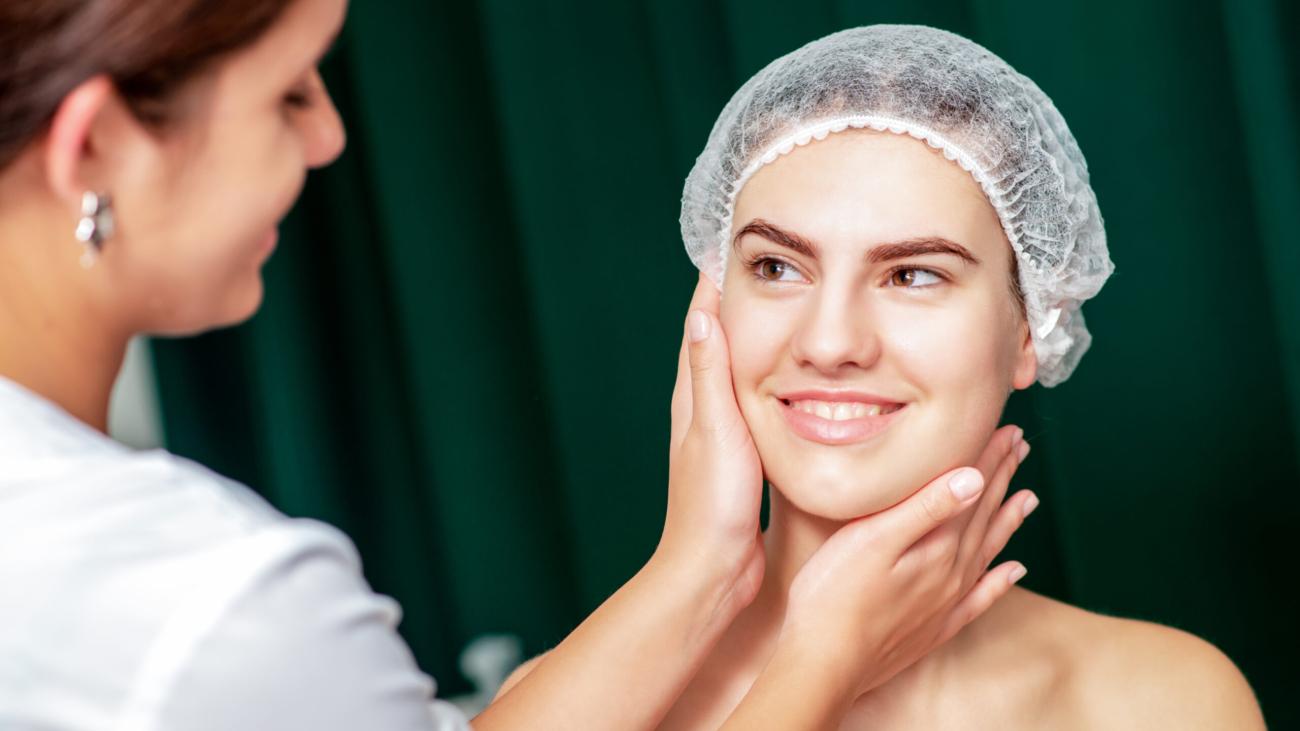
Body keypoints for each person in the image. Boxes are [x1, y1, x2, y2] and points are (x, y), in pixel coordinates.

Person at [0, 4, 1032, 730]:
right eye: (288, 93)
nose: (328, 137)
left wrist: (704, 561)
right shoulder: (211, 604)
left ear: (1032, 326)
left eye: (913, 274)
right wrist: (820, 661)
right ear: (92, 145)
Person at [500, 26, 1267, 730]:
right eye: (776, 266)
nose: (830, 342)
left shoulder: (1165, 701)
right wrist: (730, 589)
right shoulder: (575, 702)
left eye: (912, 274)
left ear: (1032, 323)